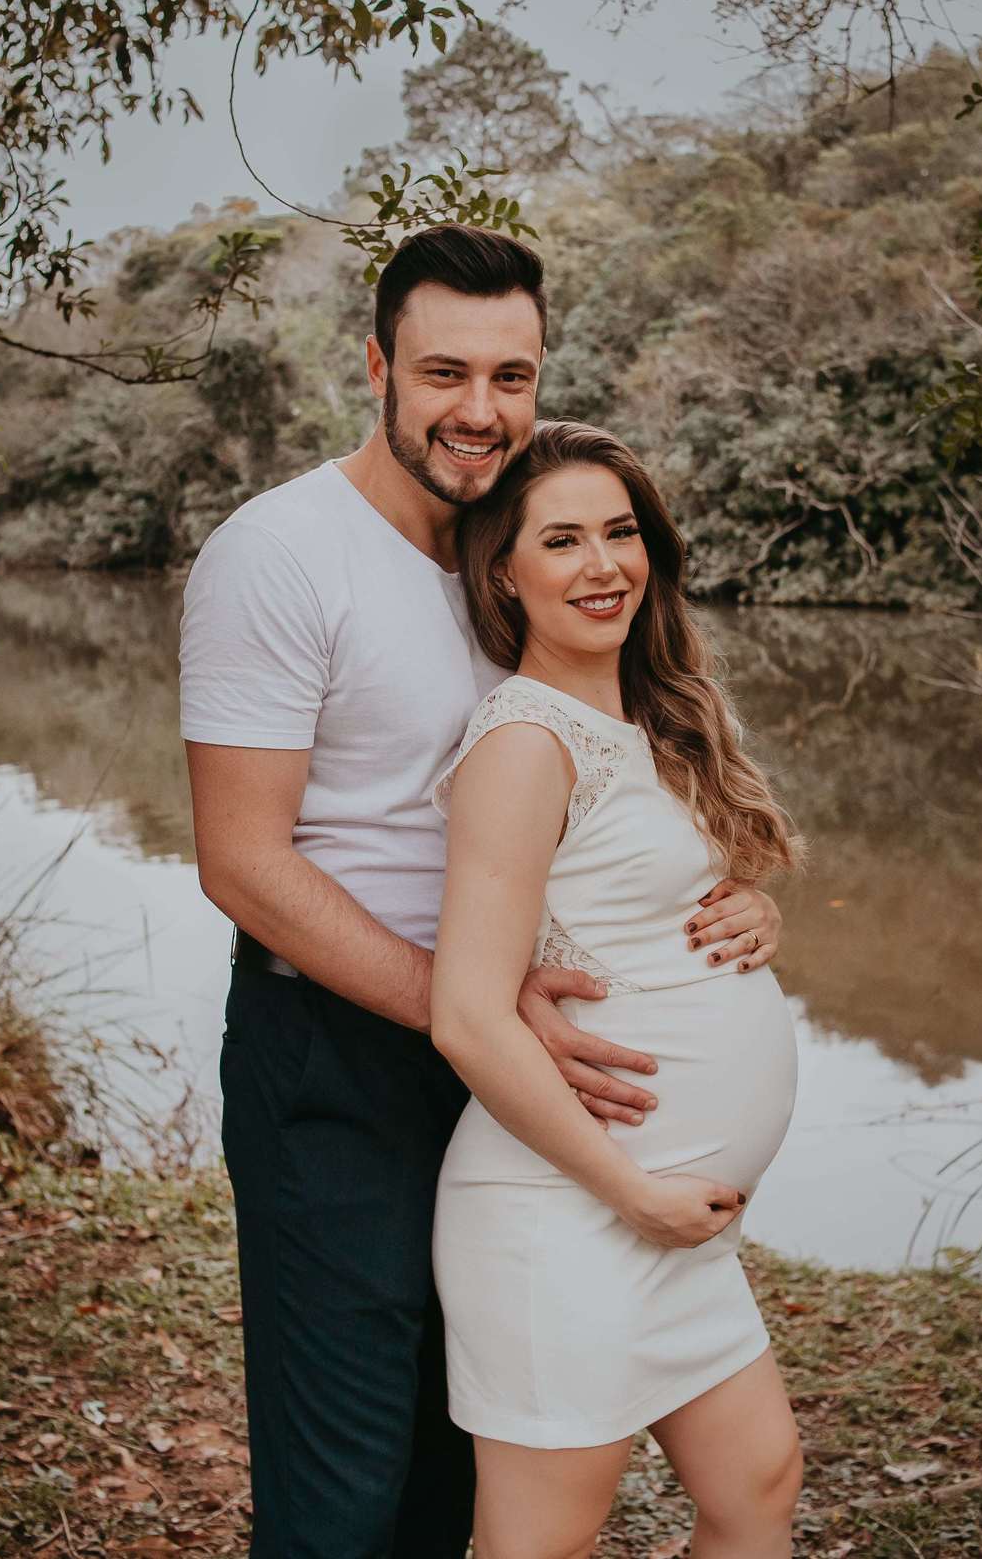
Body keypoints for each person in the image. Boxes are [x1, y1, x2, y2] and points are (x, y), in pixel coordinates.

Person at [179, 225, 784, 1559]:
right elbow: (244, 861)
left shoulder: (518, 559)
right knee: (344, 1468)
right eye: (444, 371)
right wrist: (484, 1006)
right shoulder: (280, 555)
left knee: (466, 1455)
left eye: (512, 376)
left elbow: (618, 808)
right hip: (337, 1050)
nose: (478, 410)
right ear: (378, 364)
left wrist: (740, 906)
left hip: (510, 1070)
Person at [430, 419, 804, 1559]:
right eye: (563, 541)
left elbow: (654, 914)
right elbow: (467, 1013)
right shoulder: (522, 743)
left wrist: (757, 915)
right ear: (505, 570)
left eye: (620, 532)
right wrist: (626, 1192)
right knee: (545, 1542)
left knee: (760, 1487)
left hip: (669, 1232)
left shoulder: (657, 715)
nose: (604, 567)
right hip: (566, 1215)